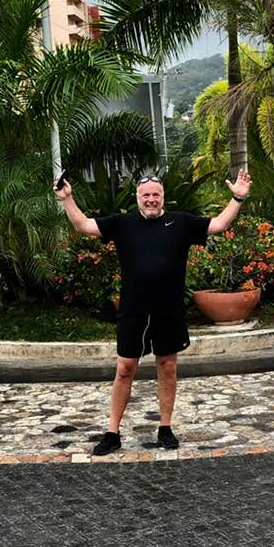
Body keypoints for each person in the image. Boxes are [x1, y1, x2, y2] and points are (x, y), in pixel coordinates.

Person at [55, 170, 252, 456]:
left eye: (155, 194)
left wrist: (238, 198)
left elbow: (219, 224)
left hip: (168, 310)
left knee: (167, 366)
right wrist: (66, 198)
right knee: (125, 369)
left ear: (163, 197)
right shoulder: (122, 223)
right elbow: (83, 225)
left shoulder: (180, 222)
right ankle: (112, 432)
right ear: (137, 197)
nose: (151, 199)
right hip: (133, 310)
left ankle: (165, 427)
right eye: (146, 195)